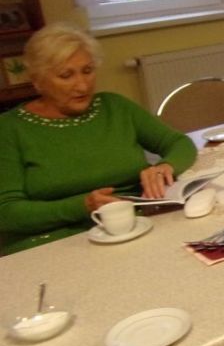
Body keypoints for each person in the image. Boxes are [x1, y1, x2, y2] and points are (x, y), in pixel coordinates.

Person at [0, 23, 197, 255]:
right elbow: (7, 213)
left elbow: (180, 143)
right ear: (38, 80)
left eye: (87, 70)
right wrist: (82, 206)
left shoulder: (115, 107)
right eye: (66, 75)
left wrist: (165, 166)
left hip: (133, 227)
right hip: (52, 241)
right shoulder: (9, 128)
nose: (82, 85)